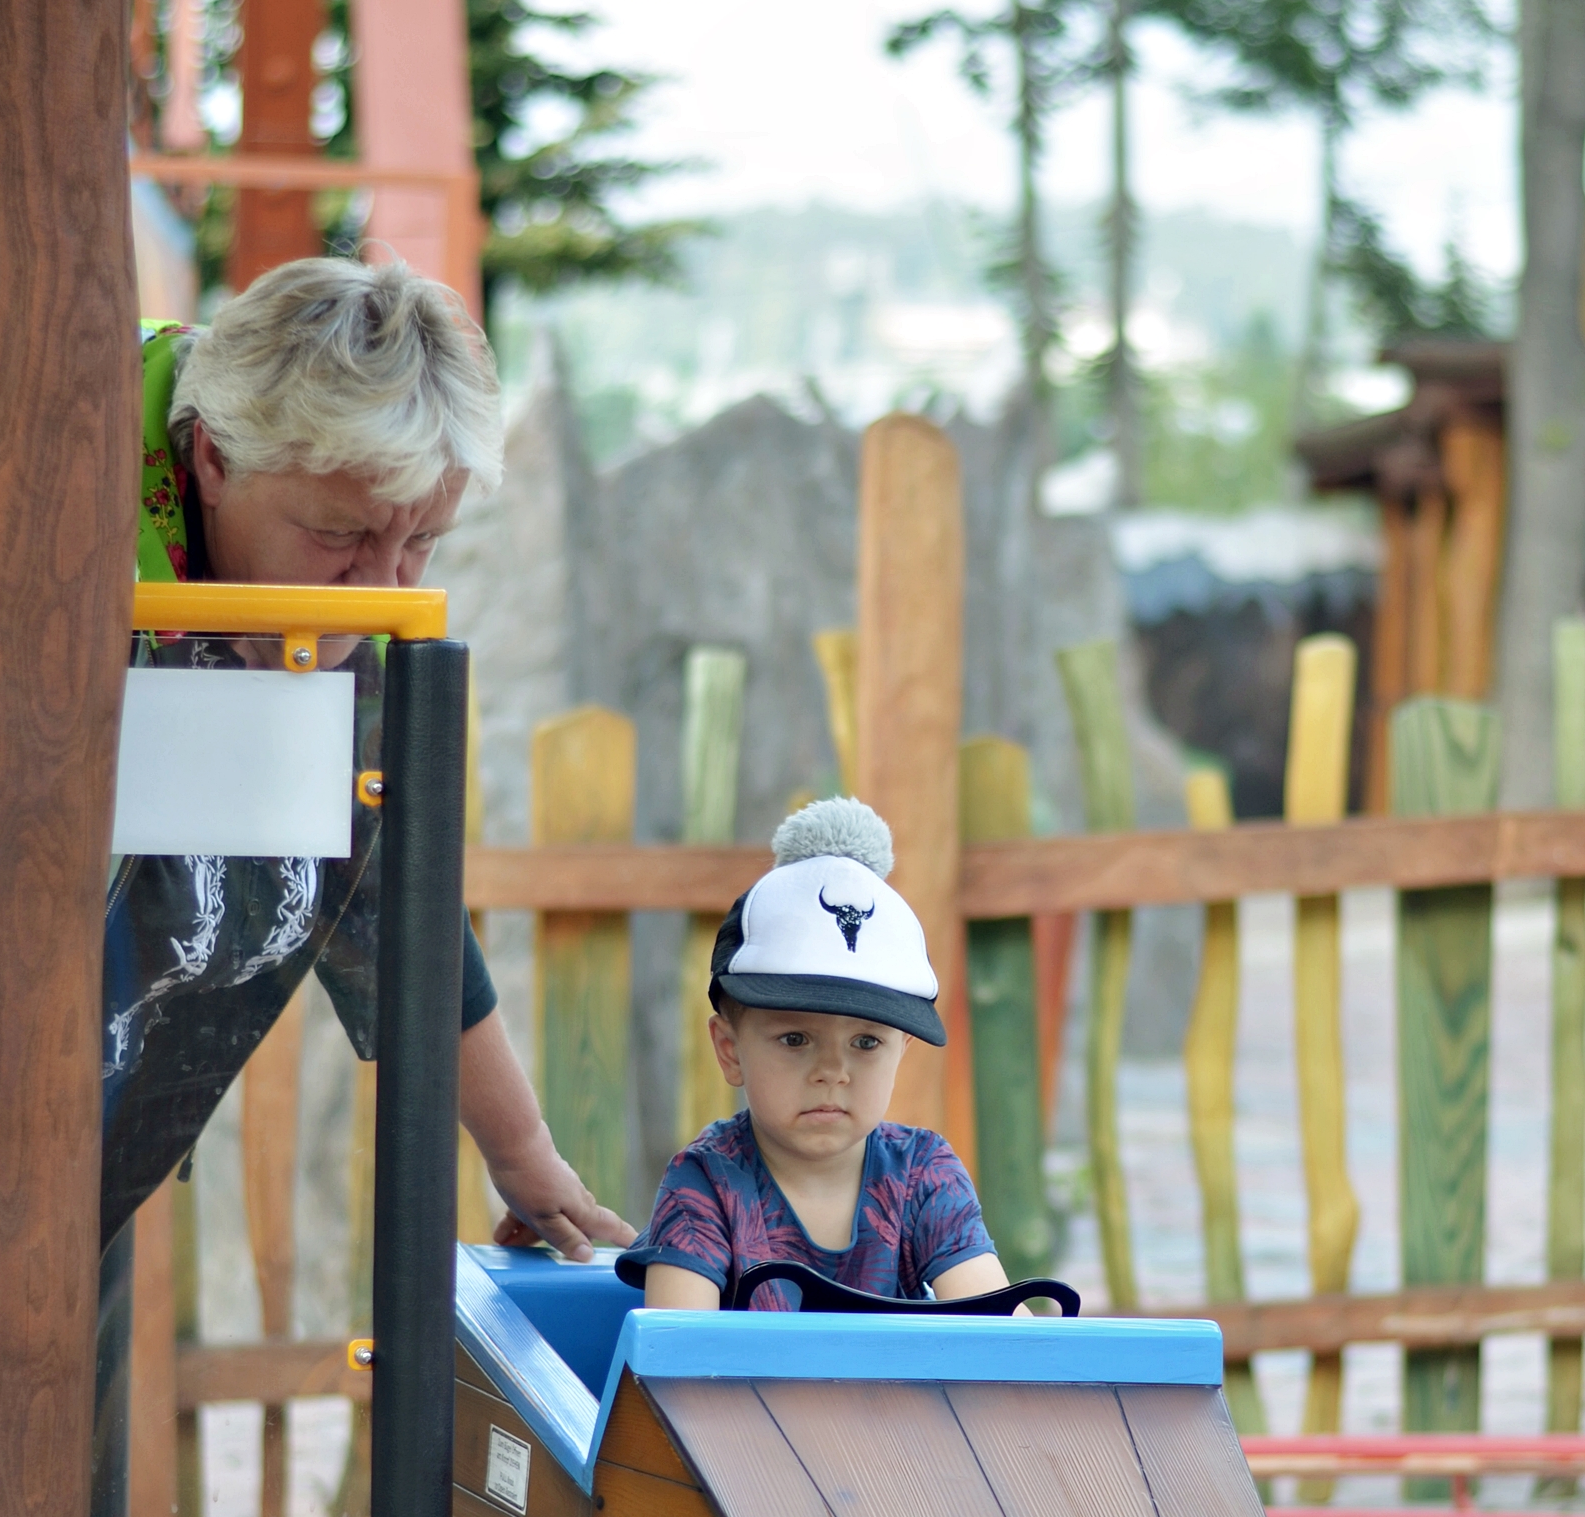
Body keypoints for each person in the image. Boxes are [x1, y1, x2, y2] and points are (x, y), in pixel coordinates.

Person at [108, 256, 630, 1264]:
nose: (374, 593)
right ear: (212, 462)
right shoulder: (55, 493)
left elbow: (390, 884)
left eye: (421, 543)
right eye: (338, 534)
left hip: (82, 1147)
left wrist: (520, 1148)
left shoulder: (340, 635)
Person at [616, 799, 1011, 1310]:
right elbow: (676, 1358)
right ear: (730, 1049)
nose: (832, 1072)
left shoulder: (922, 1175)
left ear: (902, 1050)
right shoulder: (707, 1184)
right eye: (796, 1039)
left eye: (866, 1042)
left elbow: (1005, 1335)